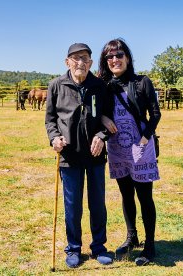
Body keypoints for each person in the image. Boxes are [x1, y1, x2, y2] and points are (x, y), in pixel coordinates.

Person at [45, 43, 113, 268]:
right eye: (75, 59)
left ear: (91, 63)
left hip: (94, 155)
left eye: (84, 58)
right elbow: (50, 119)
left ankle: (98, 247)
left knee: (97, 204)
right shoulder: (56, 85)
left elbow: (108, 118)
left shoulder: (99, 86)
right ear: (67, 62)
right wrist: (54, 138)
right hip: (69, 156)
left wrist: (102, 136)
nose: (80, 63)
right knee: (72, 206)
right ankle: (73, 248)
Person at [98, 38, 161, 266]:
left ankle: (150, 245)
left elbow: (155, 114)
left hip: (141, 148)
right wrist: (104, 118)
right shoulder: (104, 86)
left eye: (119, 55)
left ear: (128, 58)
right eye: (110, 56)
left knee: (145, 196)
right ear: (105, 61)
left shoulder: (142, 82)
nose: (115, 59)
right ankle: (131, 237)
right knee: (126, 195)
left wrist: (144, 140)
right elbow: (97, 112)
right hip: (117, 148)